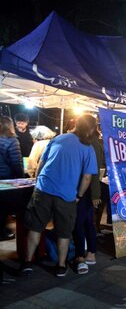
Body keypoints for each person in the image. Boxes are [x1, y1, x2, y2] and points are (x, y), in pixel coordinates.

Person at [21, 115, 98, 277]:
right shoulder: (88, 147)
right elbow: (87, 177)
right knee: (64, 232)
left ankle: (27, 263)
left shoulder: (58, 138)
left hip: (44, 189)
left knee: (35, 227)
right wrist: (79, 195)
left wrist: (38, 182)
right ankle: (61, 266)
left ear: (76, 123)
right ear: (92, 128)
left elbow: (42, 162)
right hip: (67, 195)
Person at [72, 128, 104, 274]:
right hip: (87, 189)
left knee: (79, 223)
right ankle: (90, 252)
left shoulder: (91, 144)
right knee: (87, 222)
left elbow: (93, 172)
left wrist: (95, 194)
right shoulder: (94, 143)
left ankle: (81, 255)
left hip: (85, 189)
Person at [0, 116, 24, 241]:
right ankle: (2, 233)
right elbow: (16, 162)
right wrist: (21, 176)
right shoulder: (11, 139)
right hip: (5, 178)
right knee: (3, 207)